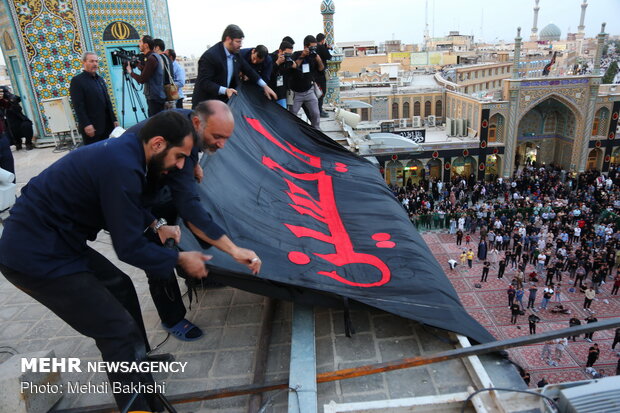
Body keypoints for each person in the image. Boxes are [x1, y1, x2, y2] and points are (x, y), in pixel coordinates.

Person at [0, 111, 212, 411]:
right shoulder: (124, 166)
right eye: (179, 157)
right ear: (158, 144)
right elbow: (129, 248)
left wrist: (156, 225)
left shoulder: (129, 155)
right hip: (33, 254)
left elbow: (122, 201)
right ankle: (139, 407)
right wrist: (179, 259)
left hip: (59, 240)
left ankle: (139, 362)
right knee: (116, 330)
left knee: (121, 286)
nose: (181, 166)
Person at [125, 101, 263, 341]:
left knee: (191, 220)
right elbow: (187, 208)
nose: (221, 145)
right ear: (198, 123)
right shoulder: (164, 140)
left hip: (161, 184)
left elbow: (188, 205)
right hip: (133, 196)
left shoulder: (187, 121)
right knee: (159, 254)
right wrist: (156, 225)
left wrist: (195, 163)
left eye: (226, 138)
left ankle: (198, 275)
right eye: (217, 137)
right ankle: (172, 317)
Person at [192, 24, 276, 107]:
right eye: (238, 41)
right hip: (205, 104)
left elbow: (249, 70)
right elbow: (205, 83)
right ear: (228, 39)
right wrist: (225, 90)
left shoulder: (236, 55)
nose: (241, 45)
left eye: (241, 41)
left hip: (223, 103)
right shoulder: (210, 56)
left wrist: (264, 86)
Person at [70, 52, 118, 145]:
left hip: (107, 125)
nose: (95, 64)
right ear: (84, 62)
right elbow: (78, 106)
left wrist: (114, 119)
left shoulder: (100, 79)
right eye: (91, 61)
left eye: (96, 61)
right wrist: (86, 124)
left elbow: (108, 102)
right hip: (92, 127)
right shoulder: (77, 81)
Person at [289, 34, 324, 129]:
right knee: (292, 115)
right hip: (296, 93)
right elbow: (293, 67)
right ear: (305, 47)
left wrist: (318, 59)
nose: (313, 50)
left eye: (315, 48)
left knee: (316, 114)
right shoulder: (296, 54)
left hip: (309, 91)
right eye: (311, 48)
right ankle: (292, 133)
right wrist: (302, 56)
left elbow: (321, 69)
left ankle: (317, 132)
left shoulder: (314, 57)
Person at [126, 35, 167, 116]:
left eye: (140, 42)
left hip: (154, 98)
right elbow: (149, 72)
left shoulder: (151, 58)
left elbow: (142, 79)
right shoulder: (155, 56)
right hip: (157, 96)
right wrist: (138, 64)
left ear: (146, 45)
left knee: (155, 123)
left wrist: (130, 72)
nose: (139, 44)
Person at [268, 40, 296, 109]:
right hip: (270, 92)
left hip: (282, 94)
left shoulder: (288, 61)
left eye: (290, 54)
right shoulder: (271, 58)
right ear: (280, 51)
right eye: (286, 54)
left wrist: (294, 66)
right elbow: (268, 74)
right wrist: (277, 63)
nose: (288, 56)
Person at [314, 33, 332, 117]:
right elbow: (329, 56)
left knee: (316, 92)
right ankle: (319, 111)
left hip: (314, 74)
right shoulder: (321, 47)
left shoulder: (314, 47)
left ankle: (317, 110)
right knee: (322, 92)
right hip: (320, 74)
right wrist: (327, 48)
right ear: (322, 40)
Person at [0, 87, 15, 176]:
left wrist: (4, 99)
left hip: (2, 138)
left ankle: (10, 189)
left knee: (9, 174)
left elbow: (9, 106)